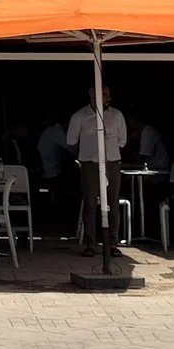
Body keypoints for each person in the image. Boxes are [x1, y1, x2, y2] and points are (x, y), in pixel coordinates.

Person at [67, 85, 129, 254]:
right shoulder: (80, 117)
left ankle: (113, 244)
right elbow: (71, 143)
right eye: (98, 95)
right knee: (90, 204)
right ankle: (91, 243)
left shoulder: (117, 116)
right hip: (90, 164)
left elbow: (122, 141)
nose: (103, 98)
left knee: (113, 204)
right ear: (91, 97)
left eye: (106, 95)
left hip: (112, 163)